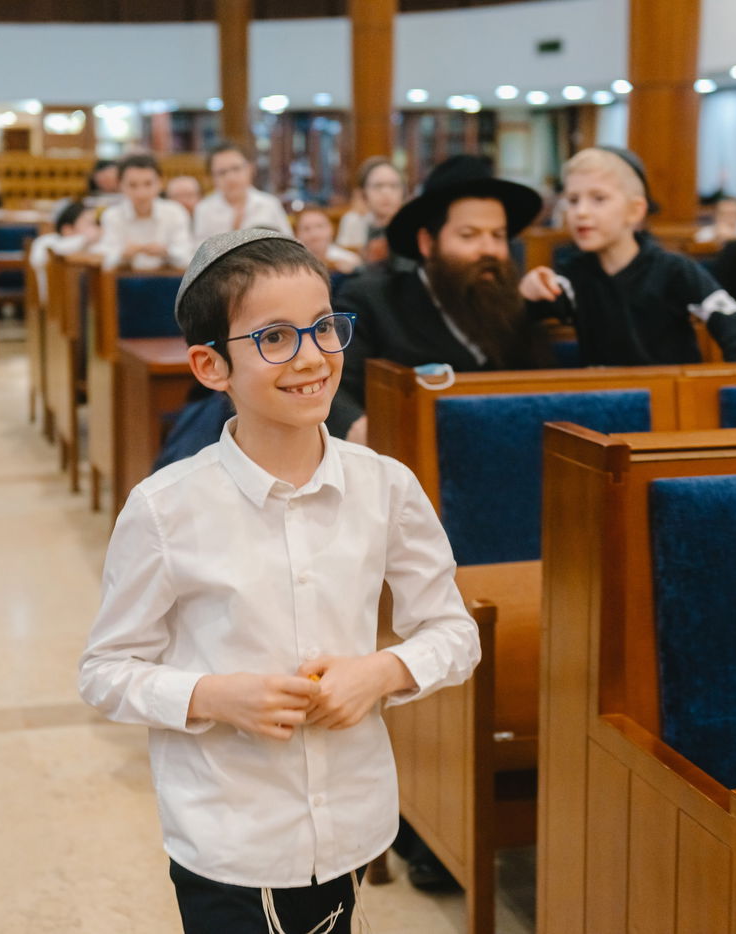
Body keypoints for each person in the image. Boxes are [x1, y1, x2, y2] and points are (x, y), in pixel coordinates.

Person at [78, 227, 480, 934]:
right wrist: (214, 695)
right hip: (230, 831)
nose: (312, 357)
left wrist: (381, 672)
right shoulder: (166, 509)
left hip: (347, 814)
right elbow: (106, 671)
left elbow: (453, 632)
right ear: (210, 366)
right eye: (274, 338)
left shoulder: (384, 486)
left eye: (324, 328)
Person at [329, 154, 557, 447]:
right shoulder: (372, 302)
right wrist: (361, 428)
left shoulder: (511, 306)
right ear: (427, 243)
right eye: (469, 235)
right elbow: (334, 390)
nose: (489, 249)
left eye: (498, 236)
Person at [521, 147, 736, 366]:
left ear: (635, 210)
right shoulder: (570, 275)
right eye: (573, 200)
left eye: (598, 199)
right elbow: (526, 315)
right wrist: (528, 292)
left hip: (671, 403)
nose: (581, 212)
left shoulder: (674, 270)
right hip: (601, 405)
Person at [93, 154, 194, 271]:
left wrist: (166, 252)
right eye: (132, 185)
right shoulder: (112, 216)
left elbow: (188, 256)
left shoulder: (175, 212)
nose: (141, 193)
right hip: (123, 283)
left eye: (148, 184)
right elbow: (104, 259)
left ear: (160, 183)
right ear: (120, 185)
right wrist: (122, 254)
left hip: (171, 283)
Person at [194, 142, 292, 240]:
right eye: (222, 172)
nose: (230, 178)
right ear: (212, 178)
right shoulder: (204, 209)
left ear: (250, 168)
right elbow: (199, 252)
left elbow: (289, 246)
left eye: (236, 169)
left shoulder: (269, 204)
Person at [336, 157, 406, 263]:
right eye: (378, 186)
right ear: (364, 193)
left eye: (393, 186)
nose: (386, 192)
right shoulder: (353, 221)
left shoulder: (410, 225)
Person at [28, 201, 101, 298]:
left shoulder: (93, 245)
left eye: (95, 224)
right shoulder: (46, 242)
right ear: (67, 229)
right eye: (89, 224)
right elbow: (56, 251)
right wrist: (85, 239)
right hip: (55, 302)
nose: (95, 229)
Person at [295, 207, 361, 274]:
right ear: (297, 234)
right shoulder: (292, 264)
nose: (314, 234)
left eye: (320, 226)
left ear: (331, 229)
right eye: (306, 229)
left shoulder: (350, 260)